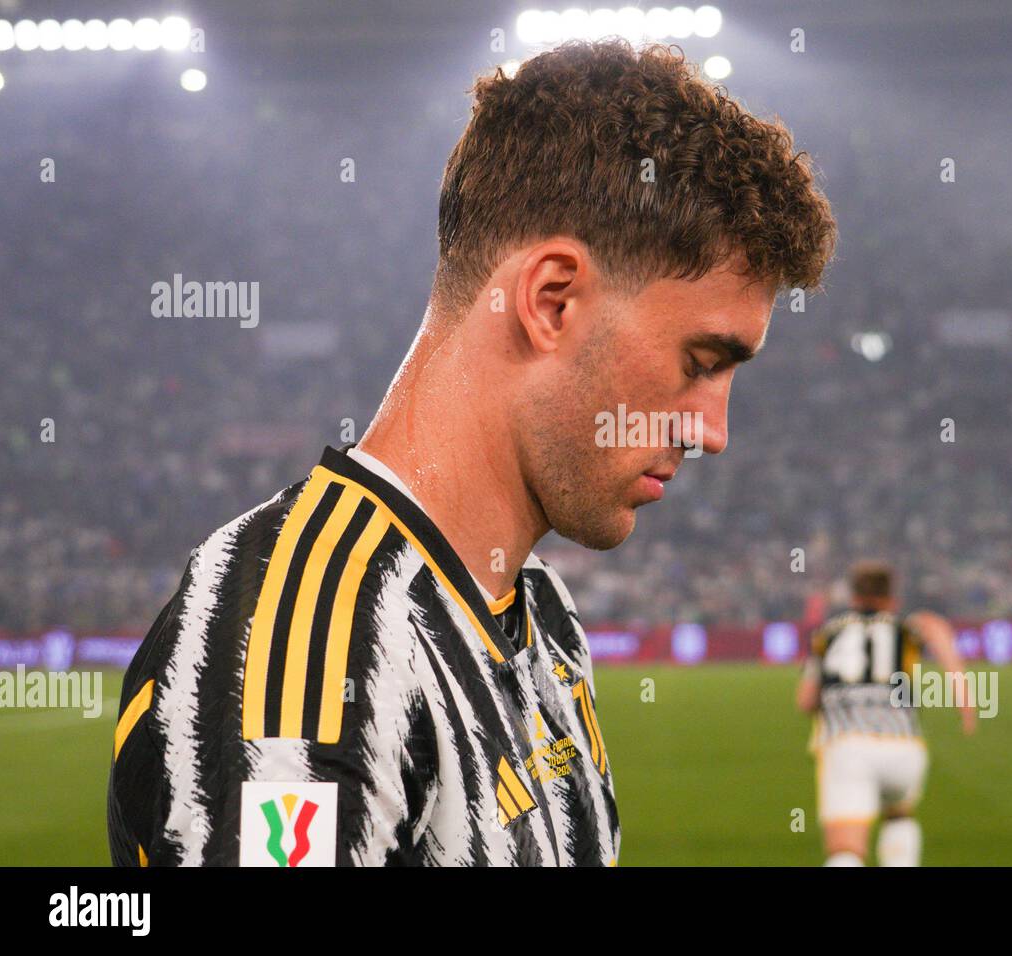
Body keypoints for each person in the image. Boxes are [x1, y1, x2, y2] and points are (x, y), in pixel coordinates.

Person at [107, 39, 837, 866]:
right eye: (700, 364)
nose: (713, 430)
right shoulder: (312, 642)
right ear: (552, 301)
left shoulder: (542, 618)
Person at [796, 561, 976, 867]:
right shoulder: (908, 627)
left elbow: (806, 701)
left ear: (852, 594)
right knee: (898, 816)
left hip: (848, 745)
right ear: (893, 595)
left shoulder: (828, 634)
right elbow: (941, 639)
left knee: (846, 850)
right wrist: (966, 706)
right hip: (905, 748)